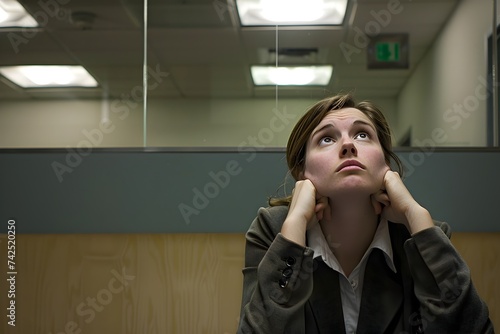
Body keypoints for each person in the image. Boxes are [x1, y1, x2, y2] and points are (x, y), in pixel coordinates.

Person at [237, 93, 494, 333]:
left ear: (385, 162)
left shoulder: (422, 236)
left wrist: (415, 215)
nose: (348, 144)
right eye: (326, 138)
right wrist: (294, 227)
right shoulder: (273, 231)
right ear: (303, 171)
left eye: (362, 135)